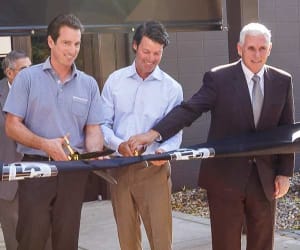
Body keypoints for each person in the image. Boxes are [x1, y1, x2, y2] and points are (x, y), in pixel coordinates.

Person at [128, 22, 295, 250]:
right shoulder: (219, 79)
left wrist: (284, 173)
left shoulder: (282, 81)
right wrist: (153, 134)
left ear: (270, 49)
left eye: (262, 48)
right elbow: (190, 109)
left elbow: (285, 130)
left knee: (263, 245)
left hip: (265, 181)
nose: (257, 54)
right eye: (251, 48)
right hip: (225, 180)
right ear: (239, 48)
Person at [4, 14, 104, 250]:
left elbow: (93, 130)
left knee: (67, 241)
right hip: (36, 170)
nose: (72, 50)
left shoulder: (88, 84)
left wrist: (95, 151)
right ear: (51, 42)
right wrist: (45, 144)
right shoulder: (27, 78)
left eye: (77, 43)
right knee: (32, 240)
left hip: (72, 172)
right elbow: (12, 125)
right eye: (66, 43)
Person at [100, 21, 183, 250]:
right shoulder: (115, 81)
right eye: (147, 51)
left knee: (161, 240)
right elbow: (102, 125)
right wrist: (118, 145)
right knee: (127, 240)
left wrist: (163, 152)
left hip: (154, 170)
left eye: (157, 53)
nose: (151, 58)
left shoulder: (172, 88)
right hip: (119, 168)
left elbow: (175, 134)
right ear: (135, 45)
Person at [0, 50, 31, 250]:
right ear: (9, 73)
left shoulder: (40, 92)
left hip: (39, 178)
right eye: (24, 70)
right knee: (15, 242)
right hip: (7, 181)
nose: (30, 75)